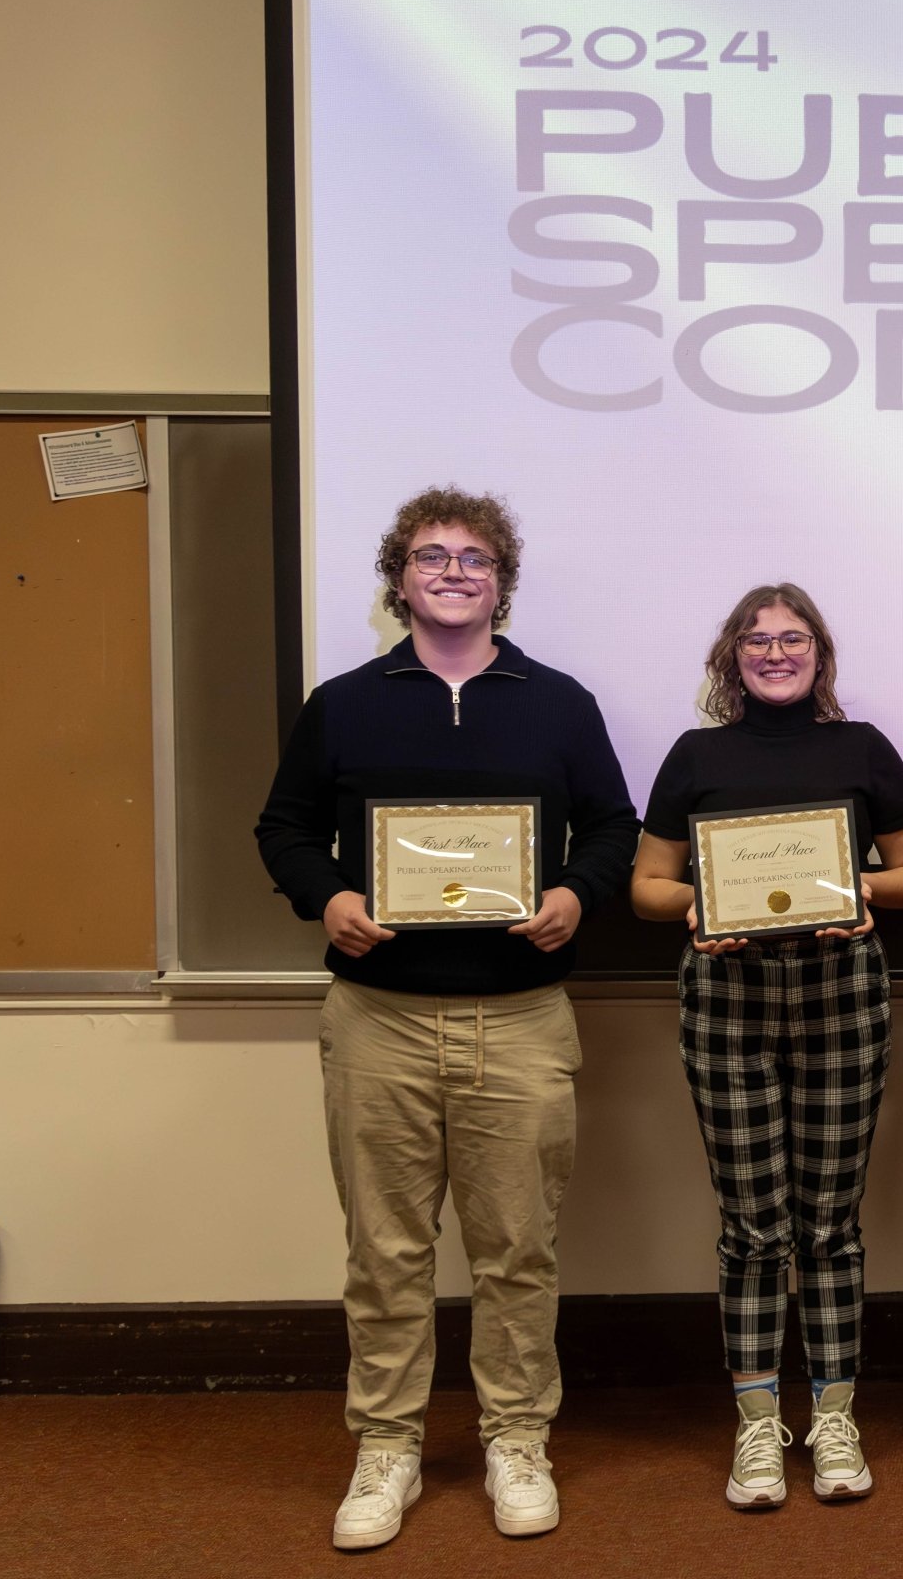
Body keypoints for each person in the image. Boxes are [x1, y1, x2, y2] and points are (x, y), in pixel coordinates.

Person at [255, 486, 638, 1550]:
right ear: (400, 577)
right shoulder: (343, 703)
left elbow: (615, 826)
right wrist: (327, 896)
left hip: (521, 1019)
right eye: (433, 556)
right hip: (376, 1018)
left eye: (475, 558)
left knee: (518, 1251)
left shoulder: (559, 702)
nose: (454, 572)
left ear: (500, 581)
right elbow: (284, 828)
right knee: (385, 1253)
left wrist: (576, 895)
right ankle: (387, 1447)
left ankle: (518, 1437)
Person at [629, 583, 903, 1509]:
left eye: (793, 638)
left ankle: (835, 1417)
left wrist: (860, 891)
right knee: (753, 1226)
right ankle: (758, 1422)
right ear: (733, 656)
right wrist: (700, 906)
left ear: (820, 654)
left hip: (841, 990)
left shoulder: (863, 747)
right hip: (727, 997)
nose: (775, 653)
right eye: (757, 640)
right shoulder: (696, 755)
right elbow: (647, 886)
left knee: (830, 1224)